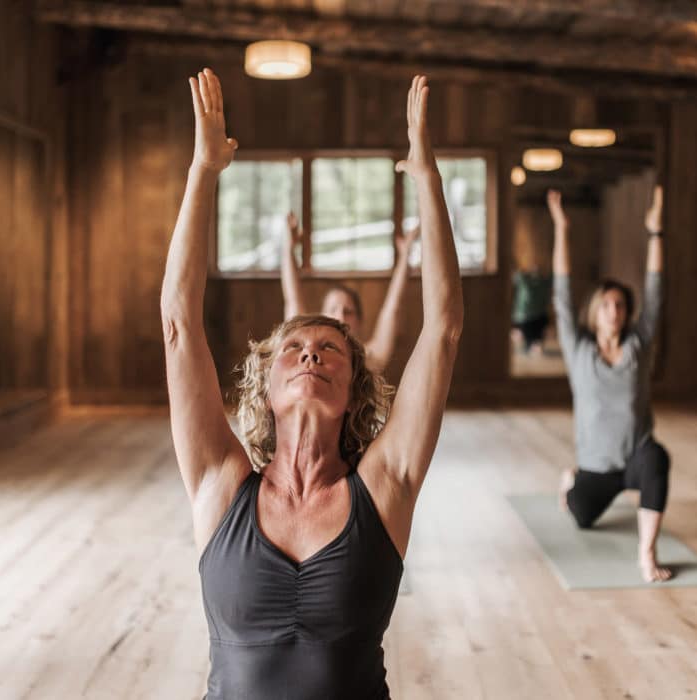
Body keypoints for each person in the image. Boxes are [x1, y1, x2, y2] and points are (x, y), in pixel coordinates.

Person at [160, 68, 462, 698]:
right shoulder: (221, 485)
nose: (309, 355)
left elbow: (444, 329)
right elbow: (180, 325)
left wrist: (429, 180)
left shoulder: (385, 487)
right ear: (266, 388)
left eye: (329, 350)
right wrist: (202, 172)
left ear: (353, 390)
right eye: (293, 348)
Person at [549, 186, 671, 583]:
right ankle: (571, 482)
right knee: (581, 516)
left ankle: (646, 554)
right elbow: (562, 293)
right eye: (606, 304)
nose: (614, 311)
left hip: (633, 459)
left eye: (620, 305)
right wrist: (562, 229)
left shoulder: (638, 346)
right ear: (594, 312)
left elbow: (655, 291)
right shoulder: (579, 350)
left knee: (657, 458)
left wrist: (656, 233)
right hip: (596, 468)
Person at [282, 214, 420, 374]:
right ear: (321, 317)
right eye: (333, 309)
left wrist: (405, 256)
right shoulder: (306, 352)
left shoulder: (369, 358)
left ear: (359, 321)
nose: (341, 315)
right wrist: (289, 248)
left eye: (348, 311)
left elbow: (393, 309)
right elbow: (292, 299)